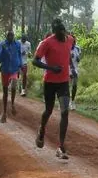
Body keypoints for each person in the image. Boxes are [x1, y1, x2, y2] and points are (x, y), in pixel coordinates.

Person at [32, 19, 76, 157]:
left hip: (63, 82)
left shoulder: (69, 40)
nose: (62, 35)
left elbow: (68, 53)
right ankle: (42, 129)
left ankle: (61, 147)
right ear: (54, 33)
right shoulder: (46, 43)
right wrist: (51, 68)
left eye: (64, 32)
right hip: (50, 82)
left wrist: (72, 67)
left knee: (65, 112)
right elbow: (35, 61)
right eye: (59, 33)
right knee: (48, 110)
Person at [0, 30, 24, 123]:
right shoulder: (1, 44)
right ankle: (4, 112)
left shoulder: (17, 44)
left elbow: (19, 55)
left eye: (12, 35)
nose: (10, 37)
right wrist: (3, 50)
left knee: (14, 85)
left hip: (14, 69)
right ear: (6, 36)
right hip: (5, 70)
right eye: (8, 36)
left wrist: (21, 65)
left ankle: (12, 104)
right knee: (5, 92)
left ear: (14, 36)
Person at [68, 42, 83, 111]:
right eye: (72, 42)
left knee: (74, 85)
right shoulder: (66, 47)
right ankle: (66, 101)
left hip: (75, 69)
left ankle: (72, 101)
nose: (73, 43)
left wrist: (78, 58)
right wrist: (71, 68)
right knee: (66, 86)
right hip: (67, 69)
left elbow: (78, 59)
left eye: (74, 42)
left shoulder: (77, 48)